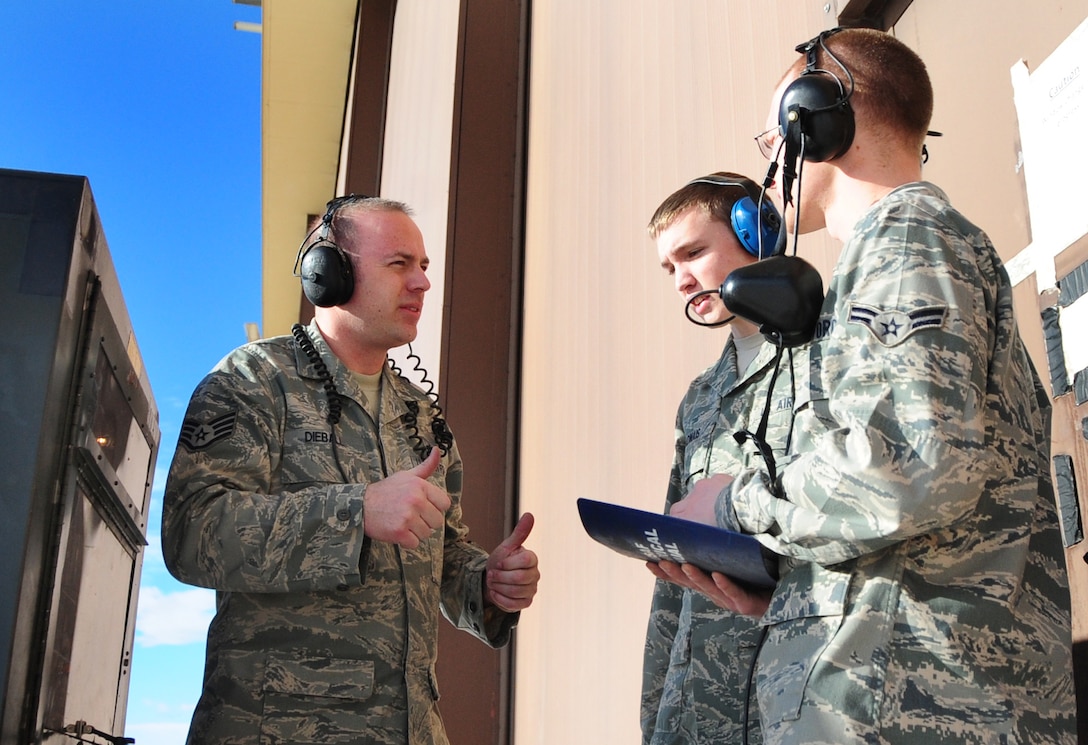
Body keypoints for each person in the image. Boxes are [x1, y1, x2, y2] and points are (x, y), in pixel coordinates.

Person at [659, 27, 1076, 744]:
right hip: (893, 694)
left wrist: (734, 502)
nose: (770, 173)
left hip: (914, 708)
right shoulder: (884, 259)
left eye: (772, 144)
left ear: (813, 122)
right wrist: (796, 595)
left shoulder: (909, 237)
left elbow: (907, 468)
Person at [161, 195, 540, 745]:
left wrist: (488, 583)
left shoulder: (421, 416)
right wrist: (354, 512)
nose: (422, 284)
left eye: (424, 266)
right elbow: (191, 532)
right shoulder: (253, 381)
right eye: (399, 264)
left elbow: (447, 553)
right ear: (328, 275)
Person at [642, 172, 790, 744]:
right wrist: (658, 711)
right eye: (669, 268)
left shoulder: (835, 354)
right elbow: (672, 574)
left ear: (758, 233)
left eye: (694, 253)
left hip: (805, 693)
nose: (682, 280)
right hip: (703, 710)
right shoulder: (702, 398)